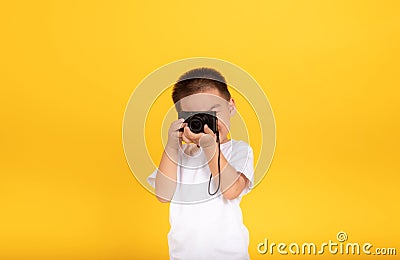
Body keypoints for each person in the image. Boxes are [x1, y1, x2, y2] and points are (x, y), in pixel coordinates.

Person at [147, 67, 254, 260]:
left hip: (230, 255)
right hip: (183, 255)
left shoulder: (239, 150)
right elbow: (163, 195)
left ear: (231, 106)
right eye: (196, 116)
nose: (206, 123)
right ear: (183, 119)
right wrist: (172, 145)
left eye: (212, 112)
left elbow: (231, 191)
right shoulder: (179, 154)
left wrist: (210, 146)